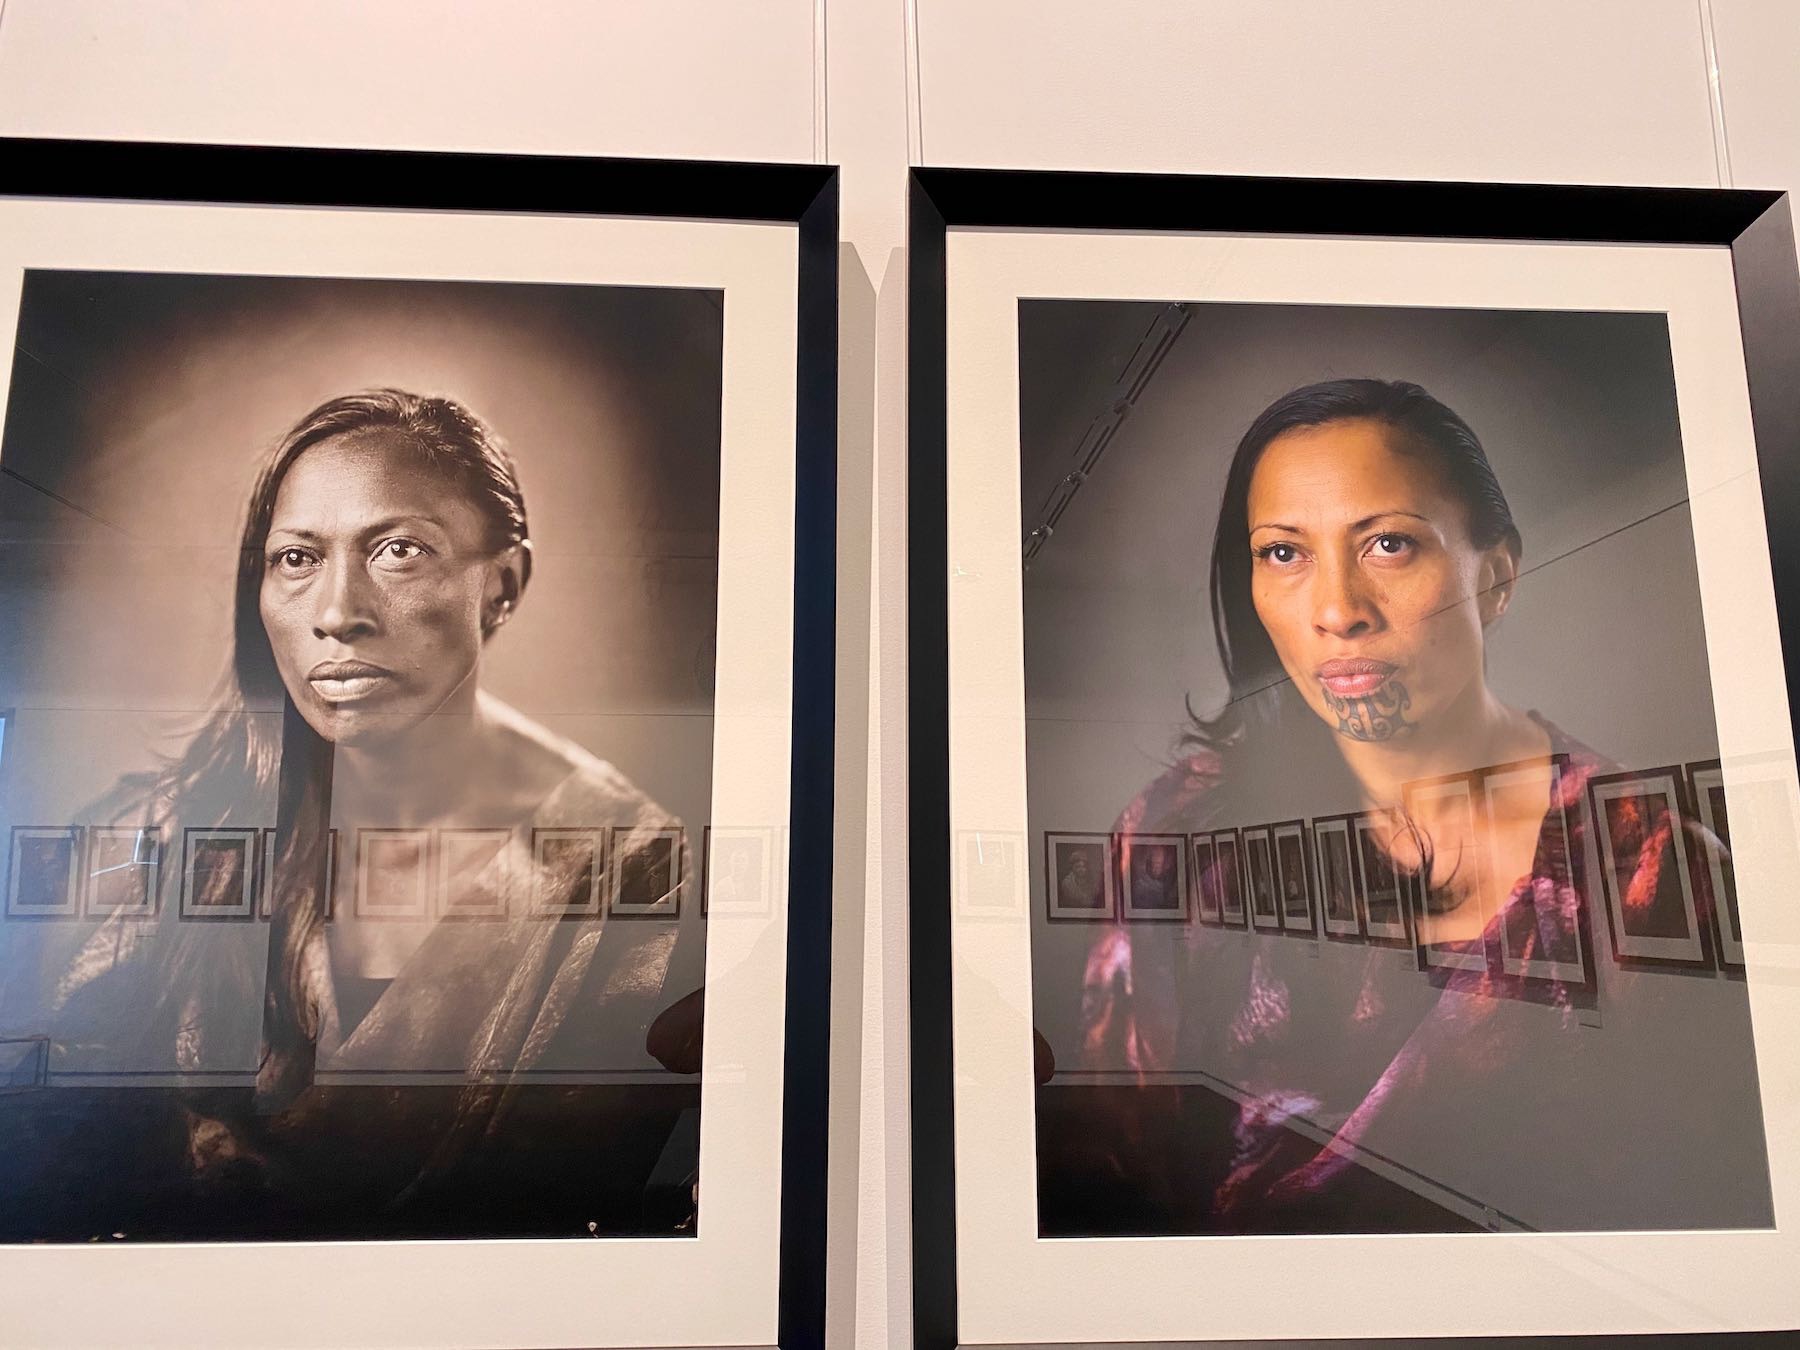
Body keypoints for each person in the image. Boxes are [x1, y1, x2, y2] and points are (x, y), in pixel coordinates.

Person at [1063, 379, 1769, 1235]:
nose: (1337, 612)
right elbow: (1115, 1170)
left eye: (1389, 544)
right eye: (1284, 553)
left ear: (1498, 576)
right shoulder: (1179, 826)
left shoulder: (1653, 875)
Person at [7, 389, 699, 1239]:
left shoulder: (627, 859)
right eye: (296, 559)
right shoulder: (150, 834)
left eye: (400, 551)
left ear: (504, 584)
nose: (337, 614)